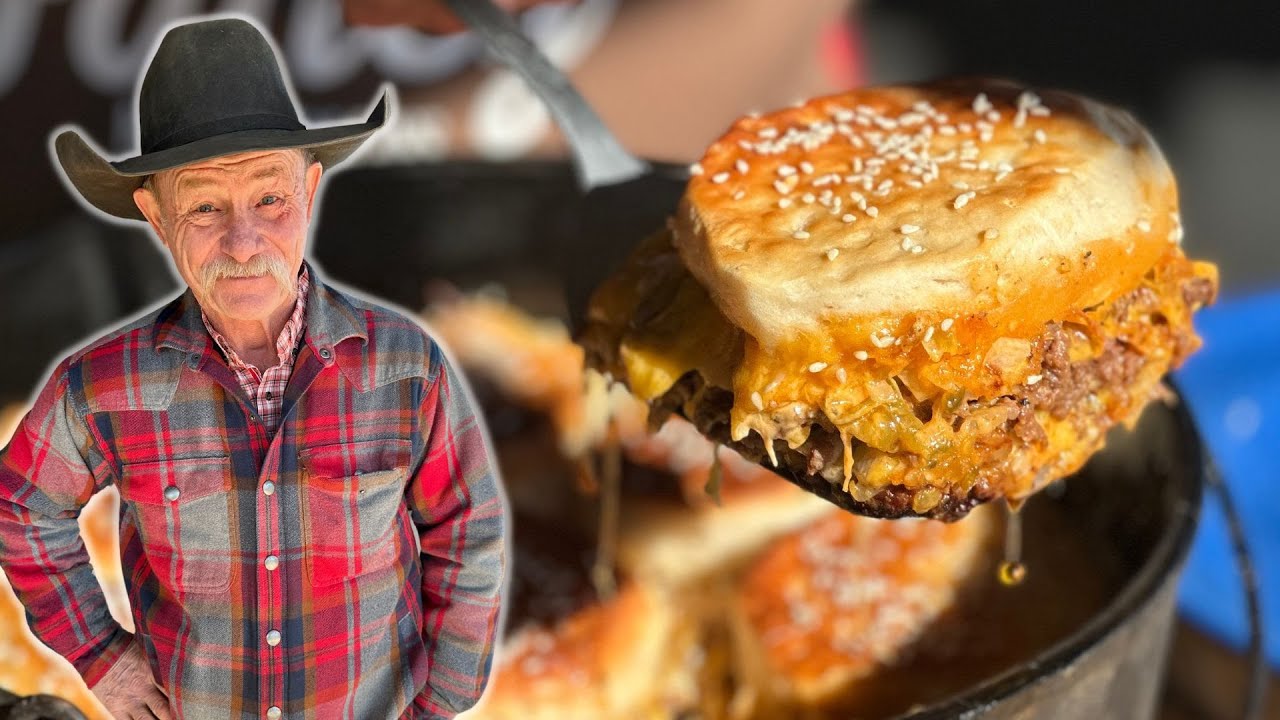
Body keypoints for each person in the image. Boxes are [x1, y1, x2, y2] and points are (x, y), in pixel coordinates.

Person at [0, 17, 507, 720]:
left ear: (310, 190)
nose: (243, 242)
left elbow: (469, 528)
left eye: (269, 198)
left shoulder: (404, 367)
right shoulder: (102, 387)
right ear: (155, 214)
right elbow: (20, 505)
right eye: (205, 205)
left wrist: (444, 700)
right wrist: (100, 657)